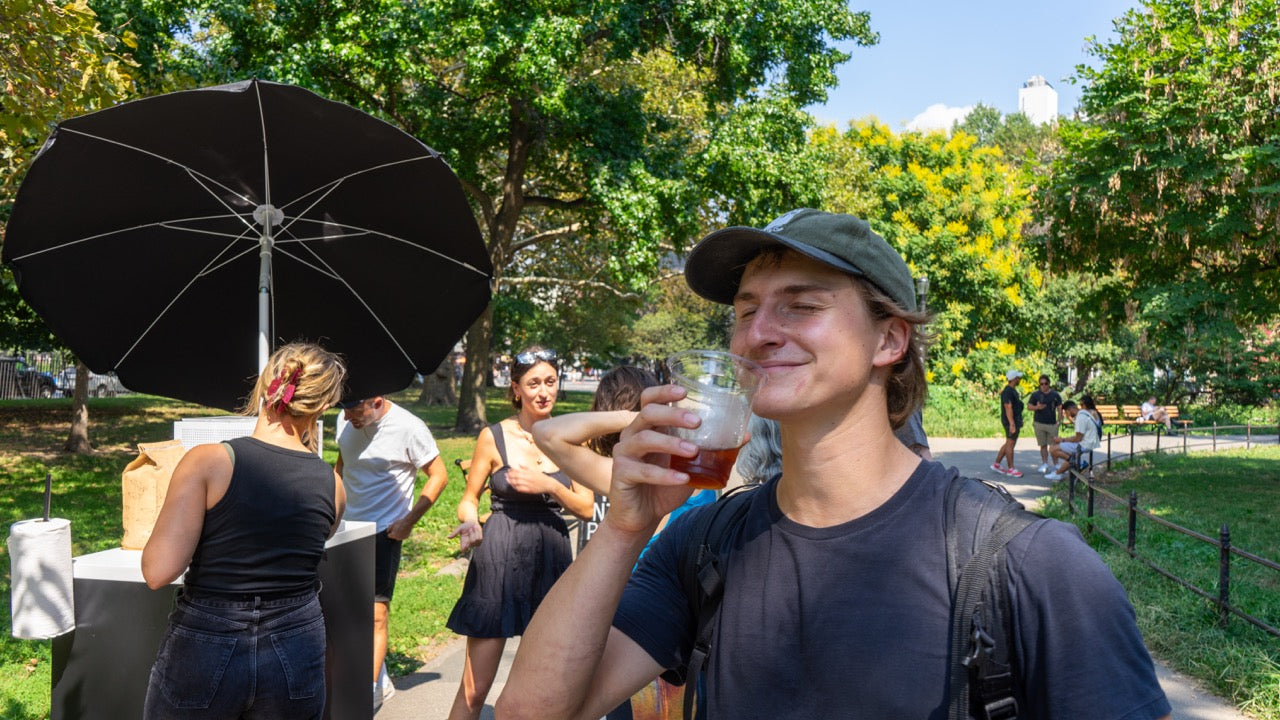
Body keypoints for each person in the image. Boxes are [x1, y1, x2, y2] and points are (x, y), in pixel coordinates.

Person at [496, 209, 1171, 719]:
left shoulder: (1032, 567)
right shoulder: (701, 545)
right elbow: (535, 713)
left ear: (889, 337)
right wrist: (623, 530)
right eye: (747, 310)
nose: (758, 333)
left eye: (802, 306)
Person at [141, 342, 347, 720]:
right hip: (297, 638)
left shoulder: (208, 461)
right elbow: (317, 535)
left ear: (266, 384)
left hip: (208, 637)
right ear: (322, 406)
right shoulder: (332, 484)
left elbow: (157, 571)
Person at [533, 364, 702, 720]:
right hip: (636, 642)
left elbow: (550, 433)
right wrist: (639, 415)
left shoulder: (692, 470)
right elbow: (547, 432)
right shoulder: (635, 478)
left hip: (674, 644)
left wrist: (632, 416)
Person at [445, 347, 595, 720]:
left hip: (553, 557)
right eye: (533, 384)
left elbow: (587, 507)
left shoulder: (572, 438)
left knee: (544, 692)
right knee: (475, 691)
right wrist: (470, 521)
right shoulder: (492, 436)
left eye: (550, 382)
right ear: (516, 389)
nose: (543, 392)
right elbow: (468, 499)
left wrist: (551, 485)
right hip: (499, 557)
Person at [334, 394, 449, 707]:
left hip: (384, 531)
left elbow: (439, 475)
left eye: (354, 410)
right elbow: (342, 465)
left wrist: (409, 521)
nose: (346, 418)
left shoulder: (409, 427)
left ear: (377, 401)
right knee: (342, 612)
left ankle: (367, 691)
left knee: (374, 615)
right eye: (342, 410)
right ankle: (379, 675)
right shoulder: (345, 421)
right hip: (345, 529)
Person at [1046, 397, 1104, 481]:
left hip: (1085, 444)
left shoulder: (1080, 417)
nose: (1067, 415)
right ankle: (1061, 472)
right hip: (1089, 442)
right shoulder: (1083, 414)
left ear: (1070, 409)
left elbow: (1078, 438)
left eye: (1066, 413)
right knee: (1068, 455)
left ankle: (1077, 463)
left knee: (1053, 449)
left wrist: (1062, 440)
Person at [1027, 374, 1064, 474]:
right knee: (1043, 445)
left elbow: (1060, 408)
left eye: (1045, 383)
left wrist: (1058, 422)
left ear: (1049, 384)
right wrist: (1037, 408)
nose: (1043, 386)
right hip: (1039, 423)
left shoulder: (1055, 395)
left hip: (1052, 424)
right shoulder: (1036, 395)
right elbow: (1029, 406)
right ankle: (1045, 463)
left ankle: (1056, 464)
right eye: (1041, 384)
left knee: (1053, 445)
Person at [992, 369, 1025, 477]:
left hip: (1015, 420)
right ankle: (1011, 468)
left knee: (1008, 443)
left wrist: (1019, 420)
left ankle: (997, 464)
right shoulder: (1007, 392)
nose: (1019, 379)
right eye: (1018, 378)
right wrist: (1012, 423)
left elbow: (1016, 407)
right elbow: (1008, 407)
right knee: (1011, 443)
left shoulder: (1012, 390)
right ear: (1014, 379)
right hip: (1010, 421)